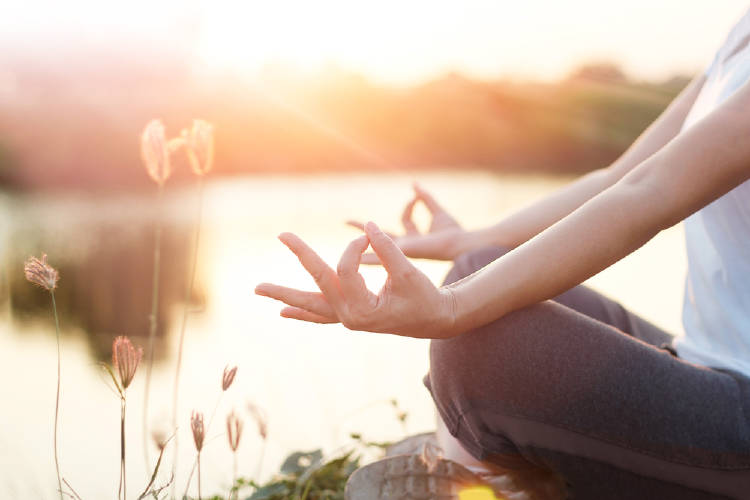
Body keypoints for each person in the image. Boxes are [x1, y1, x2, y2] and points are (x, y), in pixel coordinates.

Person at [254, 8, 750, 499]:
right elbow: (620, 177)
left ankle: (479, 479)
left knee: (476, 345)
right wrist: (469, 242)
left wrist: (452, 309)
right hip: (705, 364)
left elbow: (650, 193)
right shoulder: (739, 35)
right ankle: (488, 474)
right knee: (479, 269)